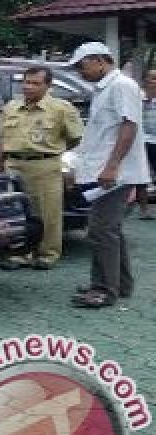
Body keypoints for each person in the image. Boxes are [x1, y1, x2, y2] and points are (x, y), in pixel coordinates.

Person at [67, 42, 151, 308]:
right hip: (105, 170)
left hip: (115, 173)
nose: (80, 73)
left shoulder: (121, 86)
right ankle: (120, 284)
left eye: (82, 66)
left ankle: (103, 289)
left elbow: (129, 126)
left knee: (101, 229)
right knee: (110, 229)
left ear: (99, 60)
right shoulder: (106, 88)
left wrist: (113, 165)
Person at [0, 67, 83, 270]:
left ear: (48, 86)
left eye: (35, 83)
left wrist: (50, 152)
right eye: (26, 82)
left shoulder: (61, 109)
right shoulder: (11, 107)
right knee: (16, 210)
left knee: (47, 212)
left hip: (44, 165)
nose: (28, 87)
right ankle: (20, 253)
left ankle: (47, 254)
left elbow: (75, 138)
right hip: (14, 164)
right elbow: (0, 136)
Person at [140, 68, 156, 220]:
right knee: (142, 176)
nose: (154, 82)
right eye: (151, 78)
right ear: (145, 80)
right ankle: (144, 210)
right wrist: (147, 99)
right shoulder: (138, 96)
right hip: (142, 141)